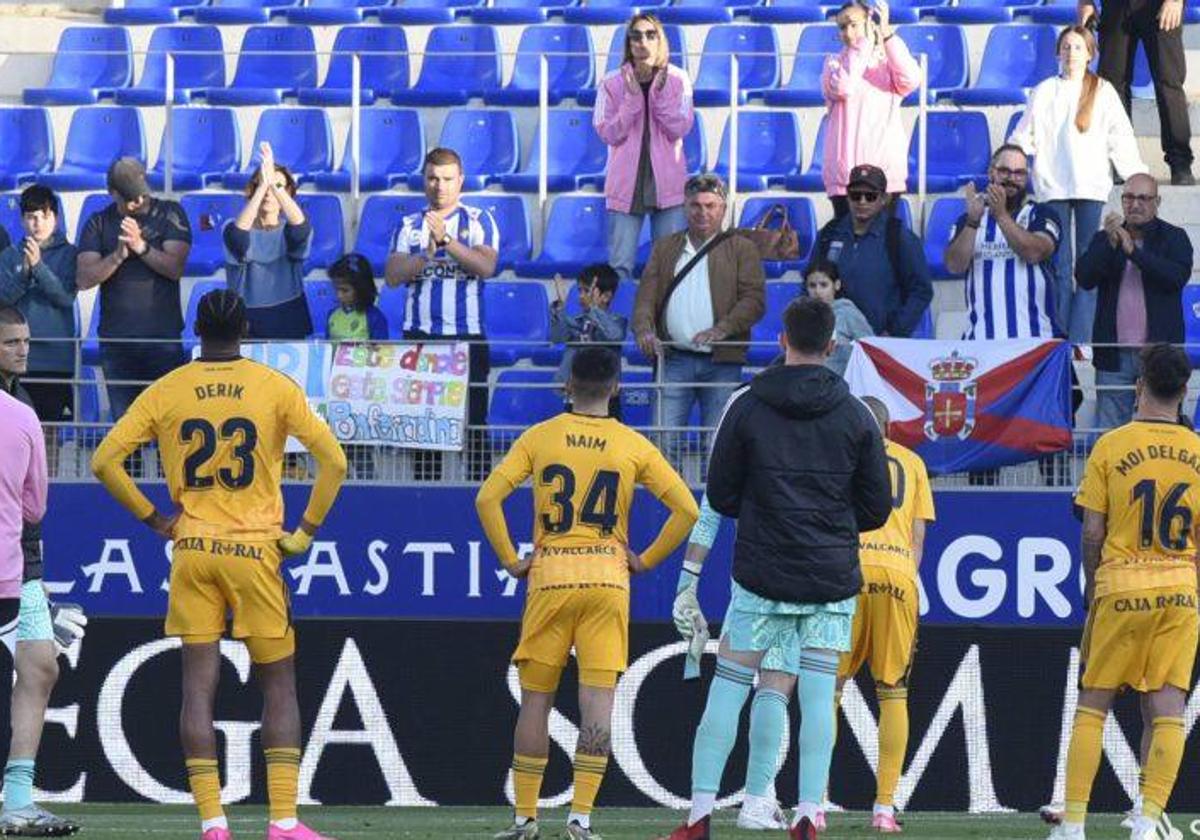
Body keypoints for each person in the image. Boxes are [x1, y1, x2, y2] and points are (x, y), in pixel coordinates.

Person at [90, 289, 348, 840]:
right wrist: (304, 532)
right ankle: (282, 821)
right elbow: (335, 460)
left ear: (195, 328)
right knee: (278, 686)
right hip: (255, 548)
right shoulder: (273, 387)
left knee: (196, 690)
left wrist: (153, 518)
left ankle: (213, 824)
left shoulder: (168, 390)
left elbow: (104, 459)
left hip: (193, 547)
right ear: (246, 328)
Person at [664, 296, 892, 840]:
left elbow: (719, 492)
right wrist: (830, 526)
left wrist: (764, 515)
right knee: (817, 698)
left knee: (728, 687)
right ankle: (810, 812)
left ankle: (698, 816)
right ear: (833, 346)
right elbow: (877, 507)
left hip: (761, 574)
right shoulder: (858, 413)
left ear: (781, 341)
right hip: (829, 578)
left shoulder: (744, 403)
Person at [476, 346, 699, 840]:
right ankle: (580, 818)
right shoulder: (632, 444)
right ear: (616, 389)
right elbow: (686, 508)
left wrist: (512, 561)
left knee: (536, 701)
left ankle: (525, 819)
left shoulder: (541, 437)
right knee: (597, 703)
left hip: (551, 575)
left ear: (567, 386)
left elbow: (487, 496)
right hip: (607, 577)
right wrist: (645, 559)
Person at [1047, 344, 1198, 840]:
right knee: (1168, 706)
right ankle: (1147, 818)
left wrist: (1094, 586)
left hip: (1121, 584)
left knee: (1094, 702)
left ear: (1138, 387)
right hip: (1179, 588)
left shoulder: (1111, 445)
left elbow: (1092, 531)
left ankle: (1072, 825)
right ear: (1185, 391)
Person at [0, 307, 86, 837]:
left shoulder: (23, 403)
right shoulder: (19, 412)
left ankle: (18, 800)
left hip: (22, 561)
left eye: (26, 341)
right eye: (11, 343)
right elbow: (36, 502)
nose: (23, 350)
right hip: (14, 557)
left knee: (40, 668)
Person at [1009, 25, 1147, 344]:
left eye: (1078, 47)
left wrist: (1135, 173)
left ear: (1090, 54)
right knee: (1058, 265)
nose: (1072, 53)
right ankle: (1060, 337)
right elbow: (1024, 135)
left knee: (1088, 265)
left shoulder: (1104, 91)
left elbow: (1120, 137)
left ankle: (1080, 339)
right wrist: (1011, 160)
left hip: (1090, 187)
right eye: (1066, 47)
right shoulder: (1043, 91)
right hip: (1052, 187)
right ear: (1058, 52)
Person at [833, 396, 934, 834]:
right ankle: (884, 808)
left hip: (847, 573)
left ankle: (813, 802)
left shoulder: (839, 456)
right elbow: (917, 538)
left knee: (827, 690)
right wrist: (903, 578)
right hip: (897, 575)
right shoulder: (913, 463)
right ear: (889, 428)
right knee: (893, 693)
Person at [385, 147, 498, 482]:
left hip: (467, 335)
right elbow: (392, 276)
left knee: (474, 421)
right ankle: (426, 492)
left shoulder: (479, 220)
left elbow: (486, 266)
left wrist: (446, 240)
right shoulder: (408, 224)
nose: (440, 186)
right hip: (421, 336)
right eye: (433, 178)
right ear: (424, 180)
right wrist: (426, 254)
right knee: (424, 422)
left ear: (460, 180)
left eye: (447, 178)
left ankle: (479, 491)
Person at [632, 173, 765, 437]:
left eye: (710, 205)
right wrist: (644, 331)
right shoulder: (663, 248)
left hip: (723, 360)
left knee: (717, 444)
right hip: (673, 358)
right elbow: (644, 298)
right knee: (663, 441)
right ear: (684, 207)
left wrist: (721, 330)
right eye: (695, 205)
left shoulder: (742, 249)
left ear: (723, 209)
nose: (702, 212)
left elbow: (754, 300)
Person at [77, 157, 191, 421]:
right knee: (126, 435)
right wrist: (117, 256)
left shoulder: (170, 213)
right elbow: (84, 279)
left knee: (169, 429)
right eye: (130, 198)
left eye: (141, 195)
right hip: (117, 345)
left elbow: (175, 268)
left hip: (163, 341)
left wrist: (141, 248)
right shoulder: (99, 222)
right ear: (113, 193)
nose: (139, 202)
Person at [1076, 173, 1192, 430]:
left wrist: (1134, 253)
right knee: (1110, 431)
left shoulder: (1174, 237)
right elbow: (1084, 278)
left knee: (1162, 428)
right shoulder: (1105, 238)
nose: (1135, 204)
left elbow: (1175, 278)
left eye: (1143, 198)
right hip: (1113, 352)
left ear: (1156, 202)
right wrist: (1109, 243)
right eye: (1129, 197)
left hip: (1159, 354)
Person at [593, 12, 693, 279]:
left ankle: (665, 322)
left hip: (668, 184)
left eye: (651, 35)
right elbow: (608, 133)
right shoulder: (611, 82)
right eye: (635, 35)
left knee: (670, 268)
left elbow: (681, 127)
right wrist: (632, 101)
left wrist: (658, 99)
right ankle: (616, 322)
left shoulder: (678, 79)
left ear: (660, 40)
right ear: (628, 42)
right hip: (626, 184)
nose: (643, 41)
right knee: (620, 267)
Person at [821, 0, 922, 218]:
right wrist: (864, 44)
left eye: (853, 24)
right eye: (842, 27)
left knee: (883, 245)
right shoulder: (833, 65)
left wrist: (885, 33)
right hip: (844, 180)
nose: (848, 32)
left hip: (885, 177)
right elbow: (844, 87)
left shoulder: (889, 63)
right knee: (847, 245)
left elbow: (912, 79)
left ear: (869, 23)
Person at [1079, 0, 1194, 185]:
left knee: (1169, 82)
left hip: (1159, 4)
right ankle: (1119, 161)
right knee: (1112, 84)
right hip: (1116, 6)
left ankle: (1180, 163)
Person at [814, 165, 932, 338]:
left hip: (882, 342)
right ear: (847, 197)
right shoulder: (829, 233)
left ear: (884, 198)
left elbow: (921, 290)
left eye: (870, 196)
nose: (862, 201)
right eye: (855, 195)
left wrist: (894, 331)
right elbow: (809, 281)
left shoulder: (898, 237)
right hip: (834, 342)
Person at [0, 184, 78, 429]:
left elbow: (65, 297)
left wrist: (39, 267)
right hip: (14, 361)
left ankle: (45, 471)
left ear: (54, 218)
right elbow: (3, 299)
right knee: (12, 431)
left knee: (48, 432)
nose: (38, 223)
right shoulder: (9, 255)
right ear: (22, 220)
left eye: (44, 216)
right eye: (31, 217)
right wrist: (24, 272)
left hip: (54, 360)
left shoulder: (70, 254)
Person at [225, 142, 314, 340]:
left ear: (289, 193)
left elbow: (300, 230)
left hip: (288, 318)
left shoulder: (289, 229)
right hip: (245, 322)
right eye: (260, 184)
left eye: (278, 186)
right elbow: (238, 238)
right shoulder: (232, 226)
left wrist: (274, 184)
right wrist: (264, 185)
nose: (268, 193)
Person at [549, 264, 628, 389]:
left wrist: (592, 308)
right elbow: (557, 337)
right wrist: (561, 307)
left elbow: (614, 336)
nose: (581, 296)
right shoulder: (577, 322)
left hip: (605, 394)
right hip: (574, 392)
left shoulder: (617, 321)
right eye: (579, 290)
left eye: (586, 291)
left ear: (606, 296)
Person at [803, 260, 872, 377]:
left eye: (824, 285)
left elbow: (870, 348)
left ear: (837, 285)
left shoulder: (848, 313)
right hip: (810, 384)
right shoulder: (802, 316)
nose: (817, 291)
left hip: (842, 385)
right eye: (812, 286)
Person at [326, 254, 388, 342]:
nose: (339, 295)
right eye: (336, 289)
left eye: (345, 290)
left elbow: (381, 351)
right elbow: (327, 349)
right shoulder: (332, 315)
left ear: (361, 289)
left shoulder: (375, 318)